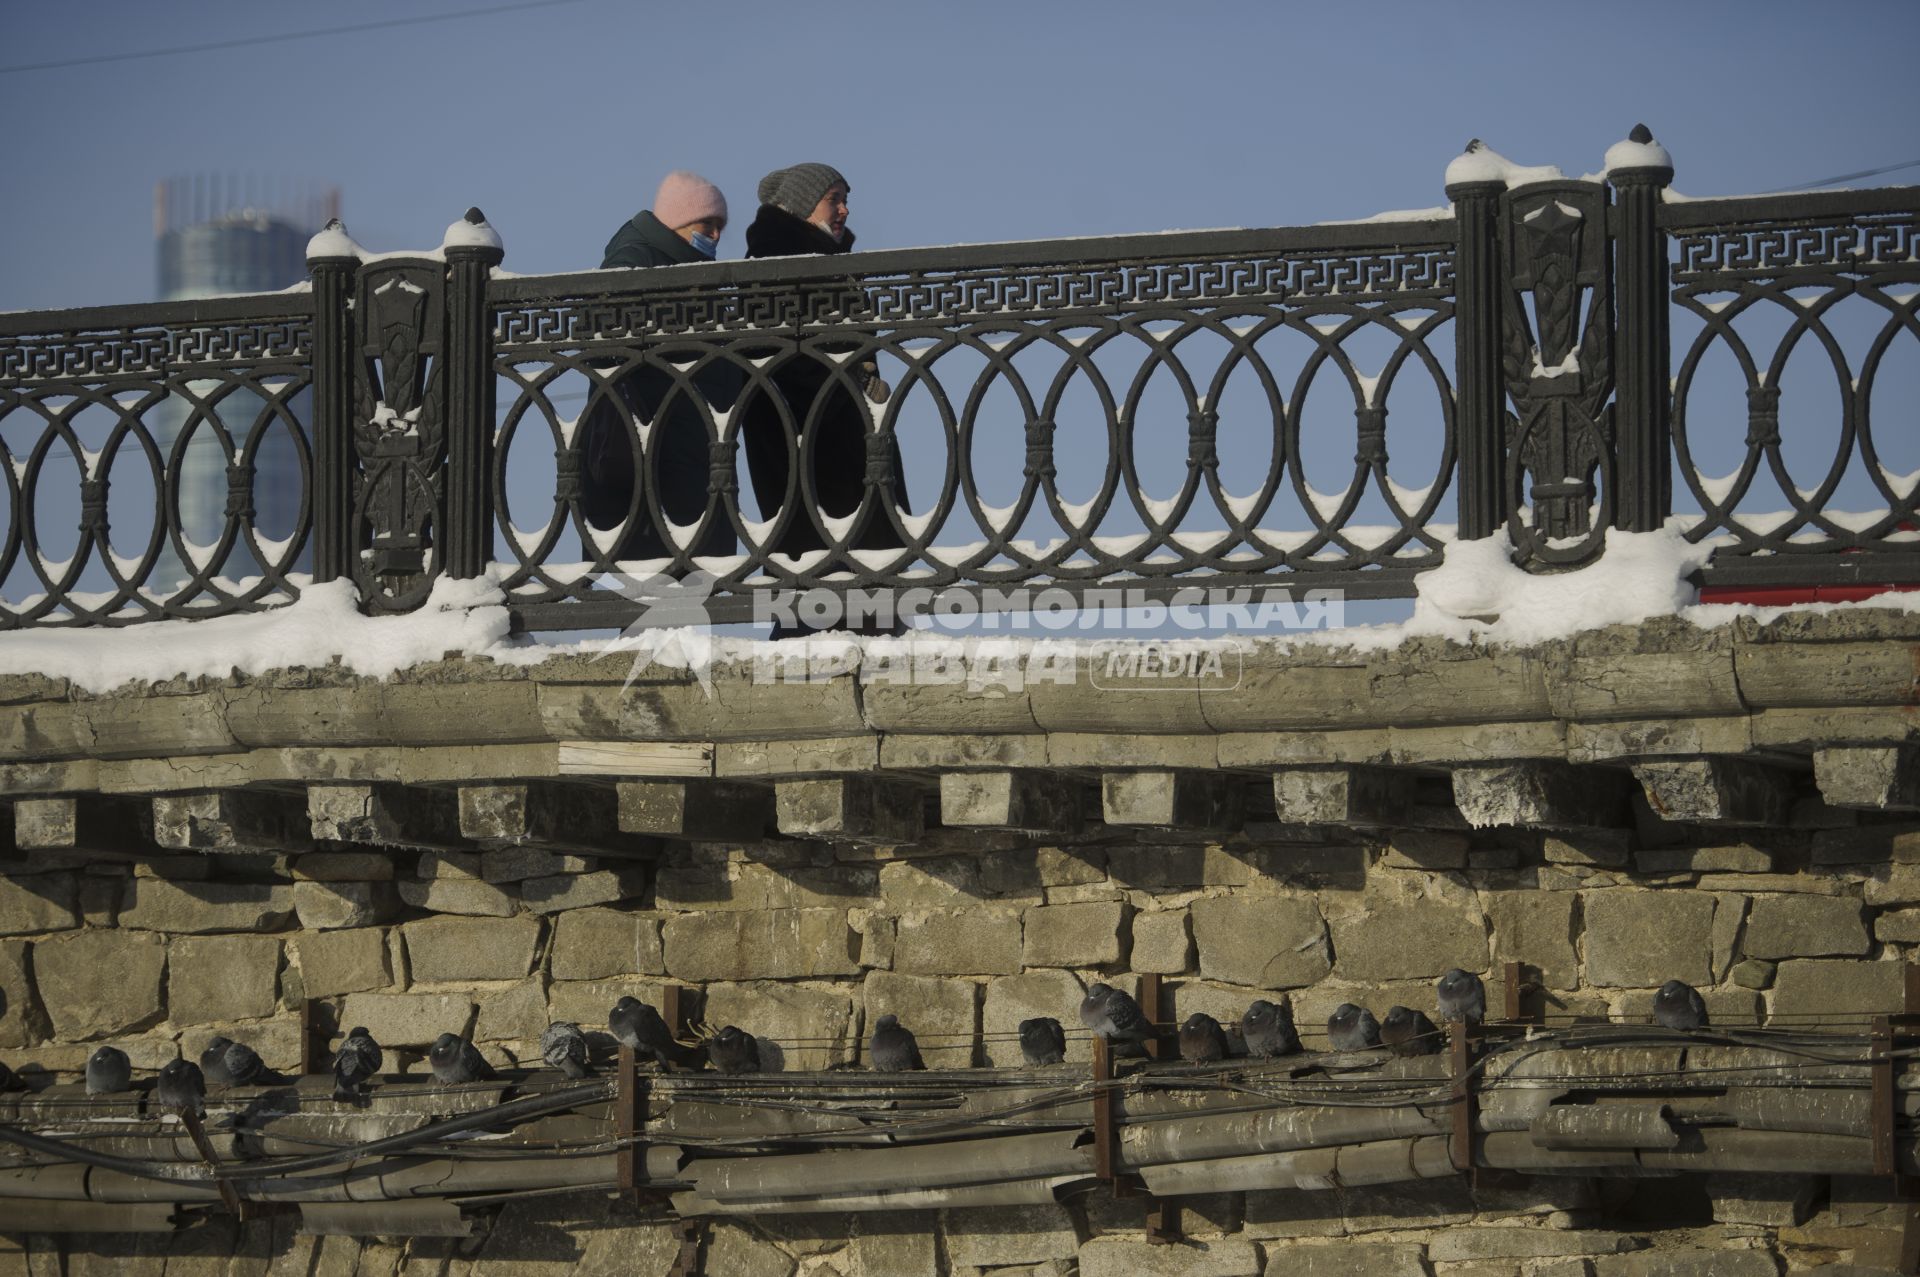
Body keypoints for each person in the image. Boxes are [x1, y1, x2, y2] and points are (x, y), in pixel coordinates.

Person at [739, 164, 908, 572]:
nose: (844, 210)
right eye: (834, 199)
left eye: (846, 200)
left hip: (841, 434)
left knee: (860, 571)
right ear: (801, 205)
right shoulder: (772, 261)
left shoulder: (822, 260)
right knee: (817, 573)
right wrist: (855, 384)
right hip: (806, 439)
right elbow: (780, 359)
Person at [581, 171, 736, 560]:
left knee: (685, 589)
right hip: (654, 449)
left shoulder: (688, 268)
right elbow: (604, 339)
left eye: (720, 226)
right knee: (656, 583)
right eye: (707, 225)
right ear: (679, 222)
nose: (716, 236)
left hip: (684, 443)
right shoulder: (636, 260)